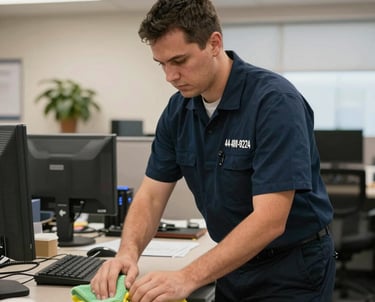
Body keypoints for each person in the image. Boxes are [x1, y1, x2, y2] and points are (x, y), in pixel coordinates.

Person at [90, 0, 336, 301]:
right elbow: (152, 196)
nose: (170, 76)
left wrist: (186, 277)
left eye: (179, 61)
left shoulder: (274, 102)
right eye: (162, 64)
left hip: (291, 268)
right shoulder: (178, 110)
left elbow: (270, 220)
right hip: (230, 263)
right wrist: (127, 253)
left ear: (214, 43)